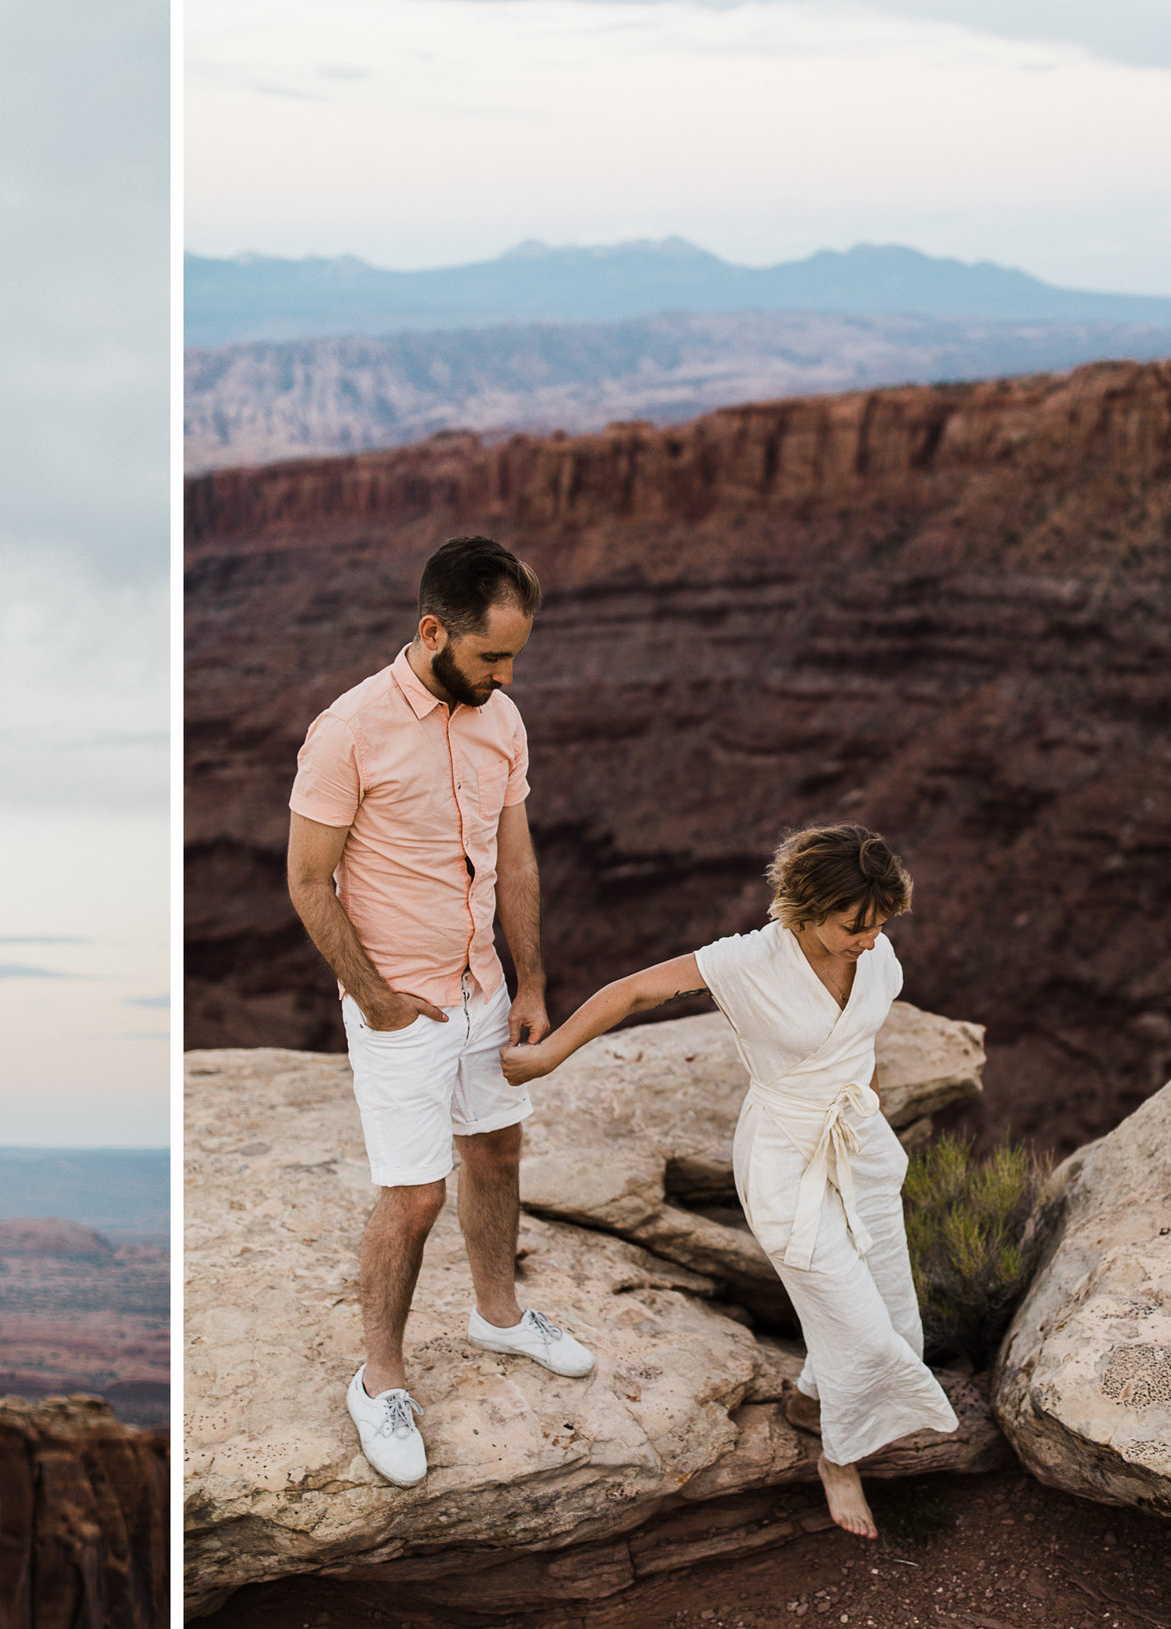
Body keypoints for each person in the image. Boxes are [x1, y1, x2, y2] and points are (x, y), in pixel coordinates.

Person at [501, 824, 959, 1540]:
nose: (869, 940)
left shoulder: (876, 954)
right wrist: (551, 1055)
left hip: (858, 1149)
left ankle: (812, 1399)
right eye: (854, 926)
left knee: (897, 1317)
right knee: (864, 1331)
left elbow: (861, 1041)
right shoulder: (750, 961)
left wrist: (865, 1103)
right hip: (784, 1158)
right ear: (806, 905)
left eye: (879, 925)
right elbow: (632, 992)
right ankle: (838, 1460)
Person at [286, 534, 596, 1490]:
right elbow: (306, 879)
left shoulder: (503, 721)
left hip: (484, 988)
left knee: (496, 1148)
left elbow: (520, 857)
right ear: (433, 632)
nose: (505, 675)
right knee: (415, 1195)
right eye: (491, 656)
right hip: (402, 1007)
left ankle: (497, 1316)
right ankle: (378, 1379)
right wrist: (375, 999)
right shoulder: (348, 729)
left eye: (515, 659)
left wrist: (531, 984)